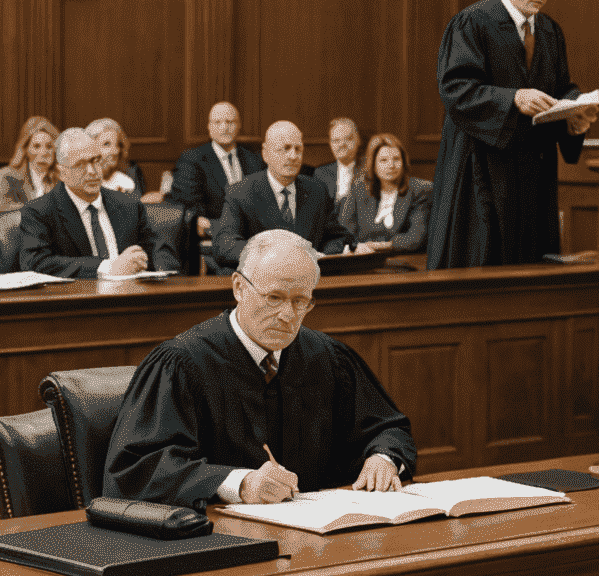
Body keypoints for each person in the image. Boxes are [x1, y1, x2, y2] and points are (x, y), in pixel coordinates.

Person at [103, 228, 416, 508]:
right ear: (239, 287)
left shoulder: (328, 357)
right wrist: (238, 484)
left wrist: (383, 457)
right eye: (274, 298)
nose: (287, 315)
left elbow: (387, 428)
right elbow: (137, 468)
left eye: (300, 301)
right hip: (214, 544)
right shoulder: (182, 364)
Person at [428, 0, 596, 267]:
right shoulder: (473, 22)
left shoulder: (550, 31)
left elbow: (562, 87)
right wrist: (513, 98)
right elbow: (456, 89)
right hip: (482, 171)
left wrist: (575, 113)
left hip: (533, 175)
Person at [18, 127, 179, 280]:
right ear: (62, 173)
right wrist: (106, 267)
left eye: (95, 161)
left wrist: (163, 273)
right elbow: (36, 262)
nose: (92, 171)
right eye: (81, 164)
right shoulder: (39, 211)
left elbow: (158, 249)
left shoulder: (128, 204)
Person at [212, 121, 352, 272]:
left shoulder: (316, 190)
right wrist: (274, 256)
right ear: (265, 153)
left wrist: (321, 256)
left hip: (308, 283)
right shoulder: (241, 192)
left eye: (298, 149)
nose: (293, 156)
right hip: (262, 284)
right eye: (285, 149)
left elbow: (336, 237)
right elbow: (225, 245)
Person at [170, 101, 260, 238]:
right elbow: (191, 210)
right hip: (212, 238)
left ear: (239, 126)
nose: (224, 128)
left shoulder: (254, 160)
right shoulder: (192, 160)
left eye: (230, 122)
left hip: (252, 235)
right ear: (209, 127)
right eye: (217, 122)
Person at [339, 132, 432, 252]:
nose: (391, 165)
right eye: (383, 160)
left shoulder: (420, 190)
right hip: (363, 258)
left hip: (406, 260)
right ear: (373, 164)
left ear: (404, 162)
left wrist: (376, 246)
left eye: (396, 159)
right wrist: (356, 246)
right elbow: (344, 230)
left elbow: (415, 238)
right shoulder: (359, 188)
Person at [0, 116, 59, 209]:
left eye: (49, 146)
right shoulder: (7, 176)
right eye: (37, 146)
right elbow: (5, 212)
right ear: (25, 149)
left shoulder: (62, 179)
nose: (43, 153)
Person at [86, 118, 146, 193]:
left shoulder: (129, 175)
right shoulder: (80, 181)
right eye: (107, 144)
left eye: (118, 144)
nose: (115, 151)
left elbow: (138, 202)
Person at [314, 116, 363, 204]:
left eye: (348, 138)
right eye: (336, 140)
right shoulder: (321, 173)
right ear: (330, 144)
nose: (342, 144)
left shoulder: (369, 170)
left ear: (358, 140)